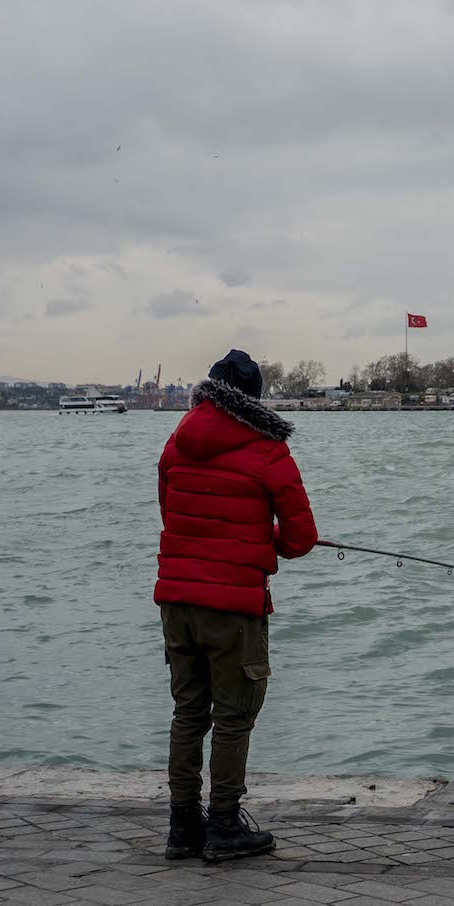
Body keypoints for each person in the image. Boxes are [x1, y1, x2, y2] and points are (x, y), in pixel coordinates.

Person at [154, 349, 318, 862]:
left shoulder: (176, 441)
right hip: (233, 606)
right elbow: (301, 538)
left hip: (176, 597)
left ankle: (183, 826)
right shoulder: (269, 450)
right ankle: (224, 824)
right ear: (255, 397)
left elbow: (171, 510)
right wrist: (261, 540)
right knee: (233, 716)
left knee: (187, 712)